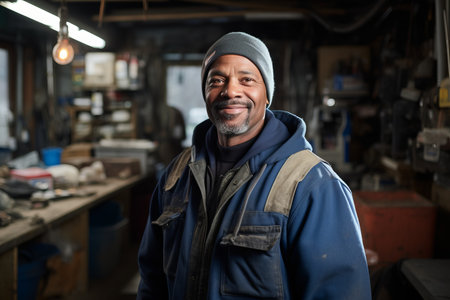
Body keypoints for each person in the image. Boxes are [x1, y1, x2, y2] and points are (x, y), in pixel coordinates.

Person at [137, 32, 372, 300]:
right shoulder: (177, 175)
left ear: (267, 94)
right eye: (217, 80)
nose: (230, 91)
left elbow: (339, 293)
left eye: (247, 79)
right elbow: (152, 278)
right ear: (205, 93)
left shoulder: (311, 184)